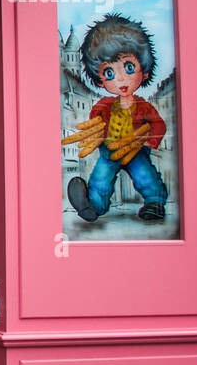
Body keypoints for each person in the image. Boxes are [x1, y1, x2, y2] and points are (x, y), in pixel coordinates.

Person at [65, 13, 169, 223]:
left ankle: (154, 202)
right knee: (101, 179)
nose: (120, 78)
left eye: (129, 68)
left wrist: (149, 140)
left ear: (144, 72)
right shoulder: (105, 105)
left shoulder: (143, 106)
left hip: (136, 149)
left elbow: (158, 124)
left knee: (145, 175)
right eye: (110, 73)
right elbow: (96, 119)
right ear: (100, 80)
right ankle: (93, 205)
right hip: (109, 150)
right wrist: (97, 133)